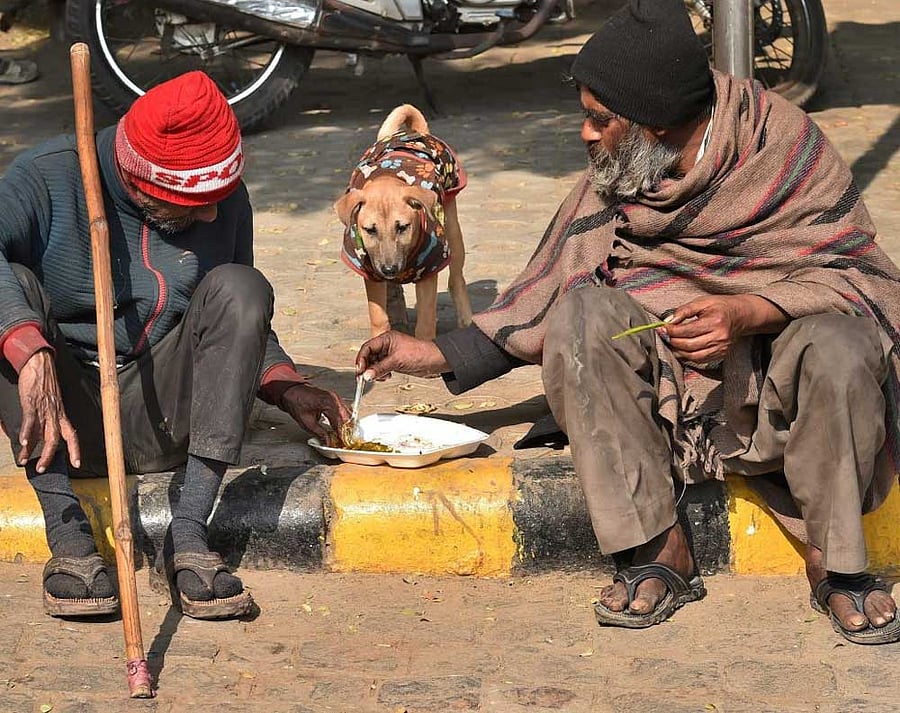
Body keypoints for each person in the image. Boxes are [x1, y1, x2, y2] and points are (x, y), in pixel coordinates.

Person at [355, 0, 900, 645]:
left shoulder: (784, 148)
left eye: (598, 120)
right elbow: (543, 293)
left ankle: (835, 562)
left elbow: (861, 280)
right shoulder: (622, 173)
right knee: (582, 315)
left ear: (657, 124)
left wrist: (752, 311)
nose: (585, 134)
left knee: (842, 346)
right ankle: (656, 545)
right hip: (671, 391)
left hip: (780, 378)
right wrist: (424, 354)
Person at [0, 71, 349, 620]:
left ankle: (188, 533)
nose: (211, 215)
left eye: (217, 199)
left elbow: (233, 320)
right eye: (194, 203)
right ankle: (67, 539)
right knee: (8, 294)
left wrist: (283, 385)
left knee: (241, 285)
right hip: (66, 422)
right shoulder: (45, 177)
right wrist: (29, 349)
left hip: (172, 418)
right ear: (140, 184)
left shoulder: (225, 201)